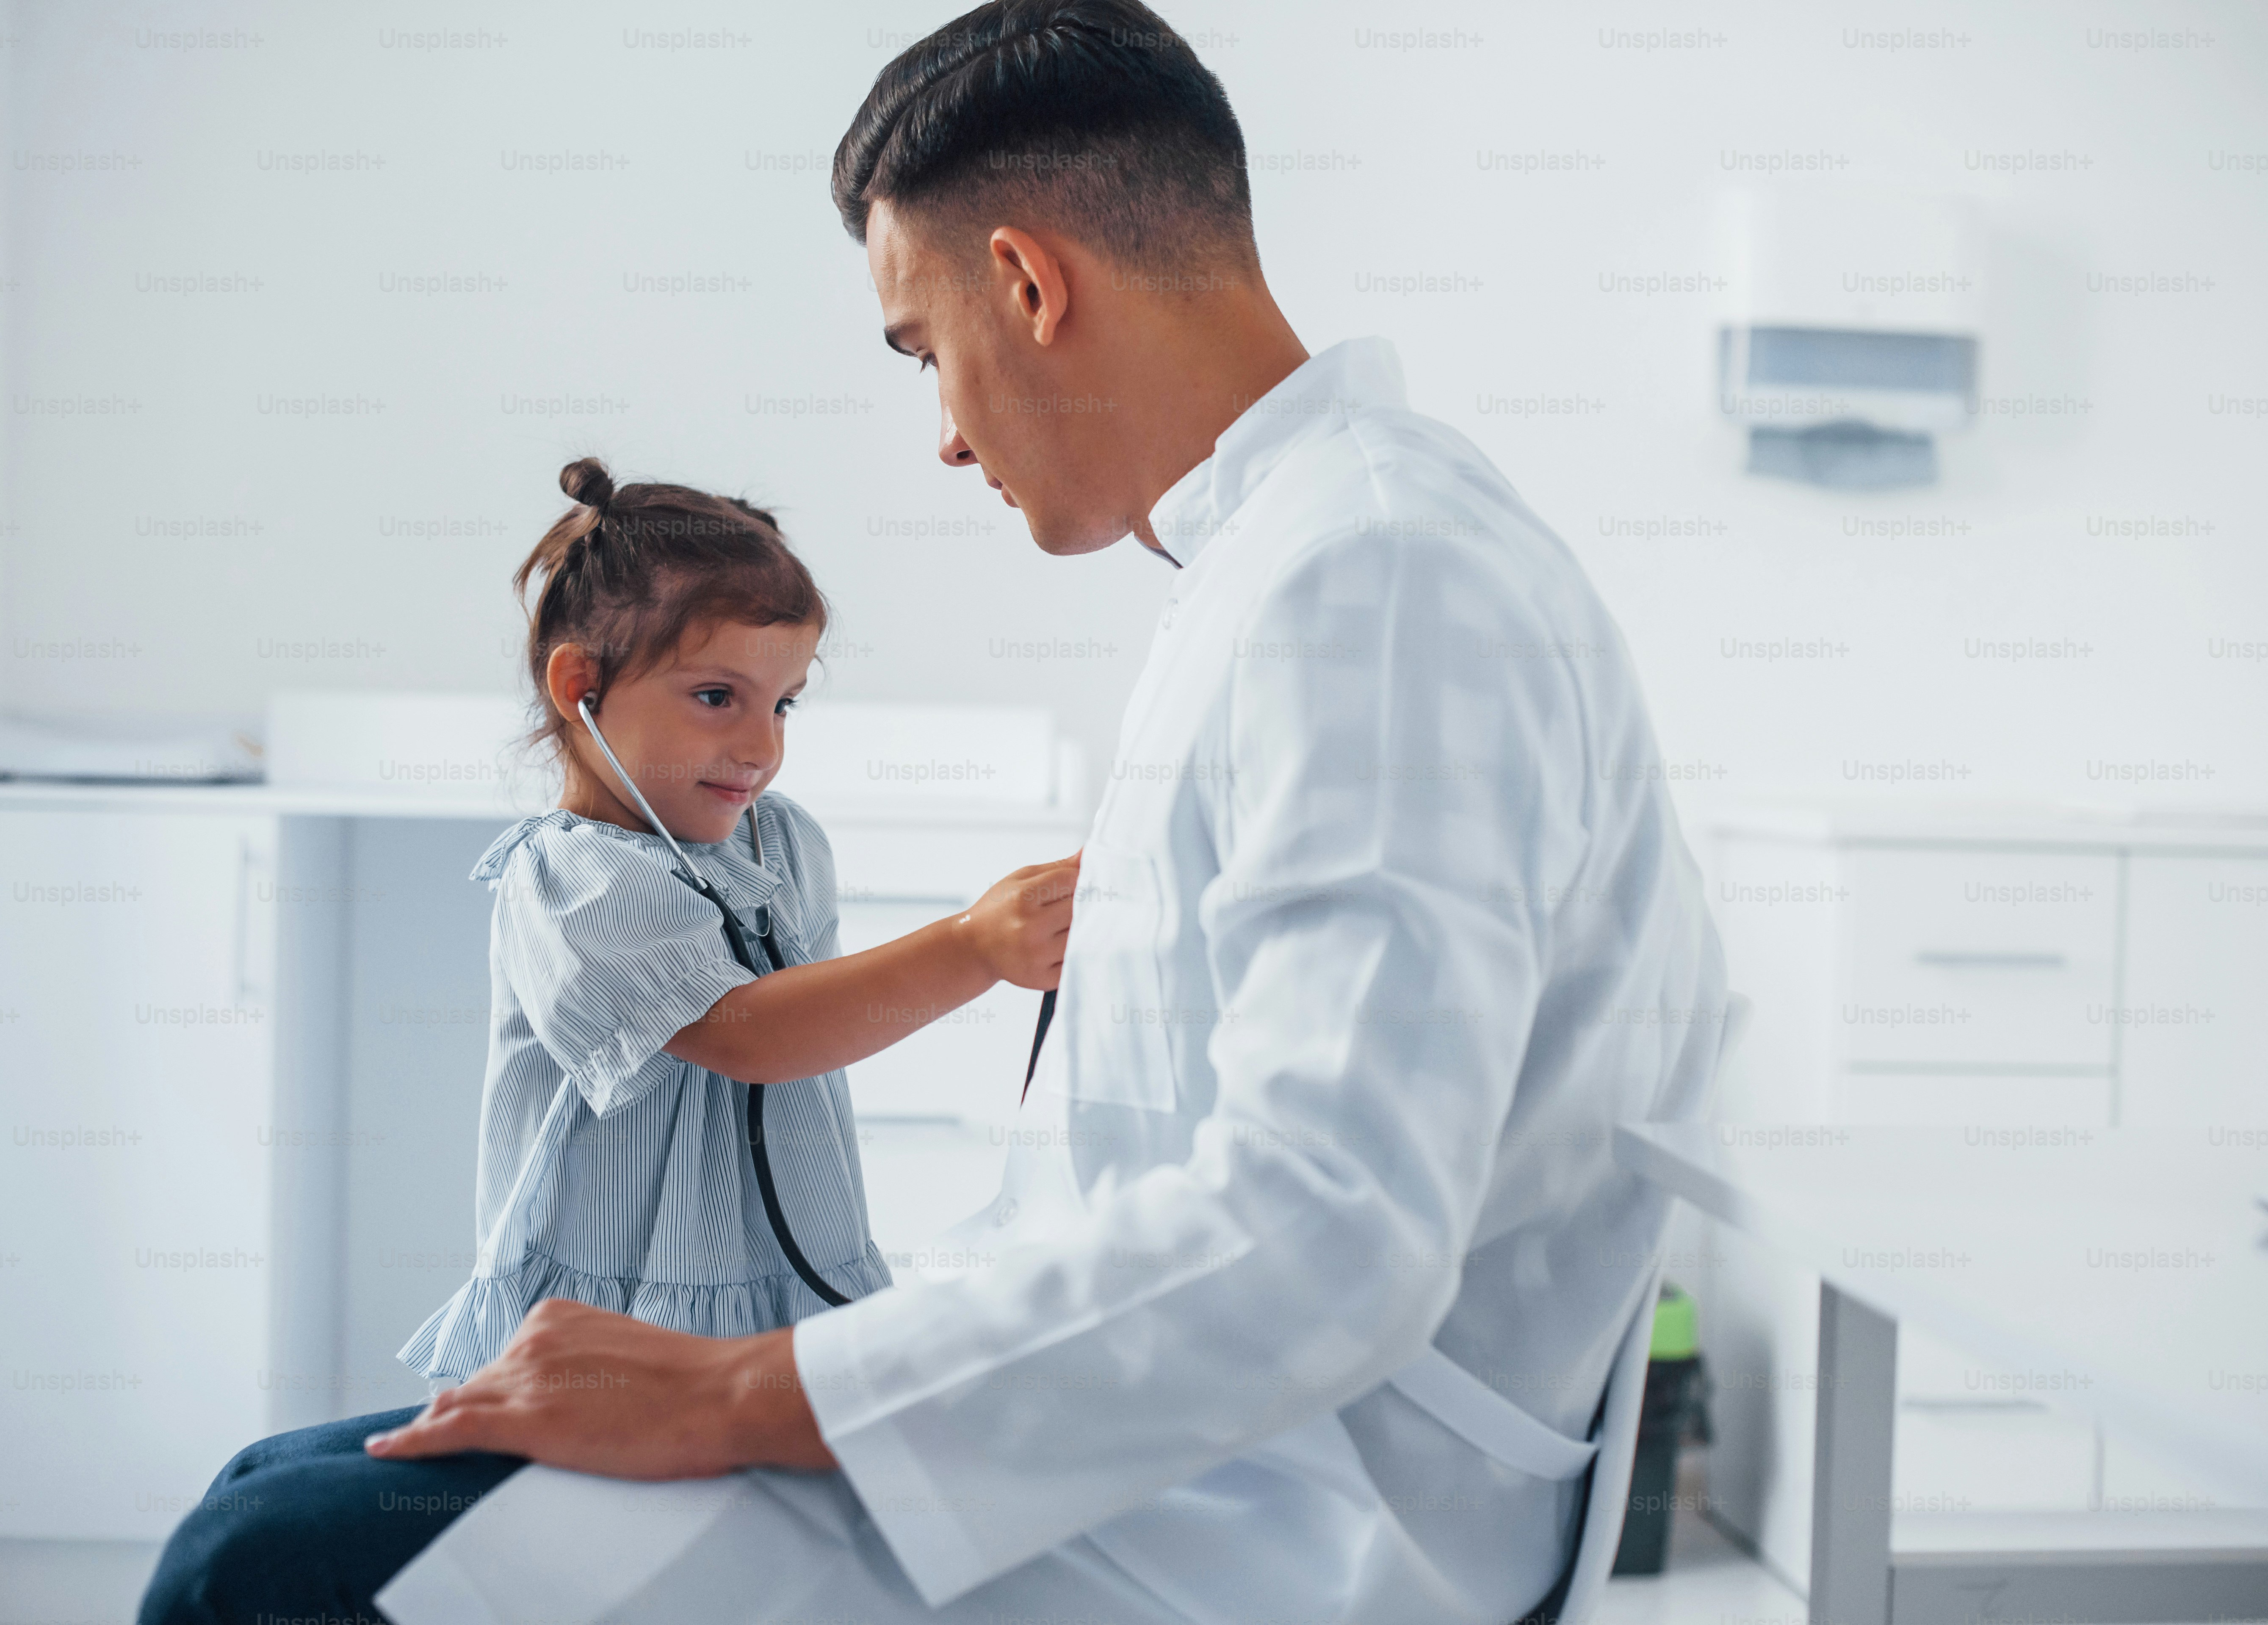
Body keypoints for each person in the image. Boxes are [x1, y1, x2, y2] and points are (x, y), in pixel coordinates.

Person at [142, 4, 1727, 1622]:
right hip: (1133, 1442)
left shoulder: (1379, 579)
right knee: (267, 1491)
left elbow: (1326, 1230)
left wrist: (740, 1392)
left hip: (1250, 1517)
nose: (951, 434)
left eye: (924, 351)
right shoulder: (1284, 562)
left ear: (1030, 287)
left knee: (253, 1572)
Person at [137, 458, 1074, 1624]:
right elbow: (746, 1037)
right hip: (623, 1336)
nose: (762, 747)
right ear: (580, 686)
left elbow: (818, 1021)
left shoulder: (783, 845)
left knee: (248, 1540)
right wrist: (971, 949)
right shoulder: (569, 879)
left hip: (764, 1330)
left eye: (782, 705)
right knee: (253, 1484)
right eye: (716, 698)